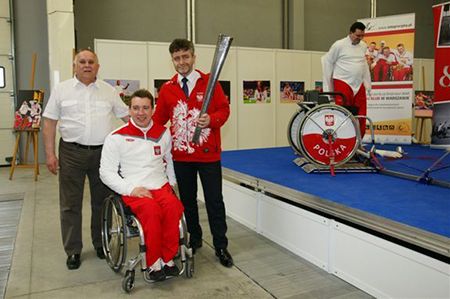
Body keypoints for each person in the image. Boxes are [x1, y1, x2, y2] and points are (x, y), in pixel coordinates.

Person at [42, 49, 129, 270]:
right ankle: (73, 250)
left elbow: (129, 118)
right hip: (71, 153)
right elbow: (50, 123)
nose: (87, 65)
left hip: (103, 154)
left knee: (102, 202)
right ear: (74, 65)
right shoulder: (61, 90)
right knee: (70, 204)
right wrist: (50, 154)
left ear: (98, 67)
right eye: (82, 61)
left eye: (91, 62)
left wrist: (150, 133)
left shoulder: (109, 91)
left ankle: (101, 243)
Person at [152, 38, 233, 268]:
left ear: (193, 57)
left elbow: (224, 110)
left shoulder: (210, 82)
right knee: (187, 202)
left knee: (214, 201)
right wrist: (142, 135)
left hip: (208, 156)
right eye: (177, 58)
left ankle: (220, 245)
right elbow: (159, 120)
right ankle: (195, 239)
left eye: (185, 56)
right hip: (181, 157)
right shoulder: (168, 89)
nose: (182, 62)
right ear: (172, 61)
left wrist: (212, 120)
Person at [100, 89, 184, 282]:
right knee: (152, 211)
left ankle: (168, 258)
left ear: (152, 109)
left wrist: (171, 184)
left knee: (173, 207)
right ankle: (153, 263)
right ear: (128, 110)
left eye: (145, 108)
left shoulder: (163, 133)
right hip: (134, 189)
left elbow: (169, 160)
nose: (141, 112)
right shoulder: (116, 137)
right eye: (136, 108)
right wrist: (131, 190)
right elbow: (106, 172)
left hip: (160, 186)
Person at [322, 21, 372, 138]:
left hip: (358, 84)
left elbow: (363, 65)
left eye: (362, 36)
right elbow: (327, 63)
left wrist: (368, 83)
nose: (360, 38)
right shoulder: (338, 45)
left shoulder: (363, 46)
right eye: (357, 36)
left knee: (361, 114)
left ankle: (358, 142)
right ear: (350, 33)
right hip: (342, 82)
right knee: (343, 114)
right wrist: (328, 88)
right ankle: (342, 141)